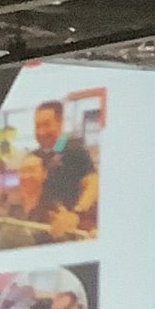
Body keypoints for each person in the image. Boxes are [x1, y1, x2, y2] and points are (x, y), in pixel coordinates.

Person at [31, 99, 97, 237]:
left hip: (70, 227)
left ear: (60, 124)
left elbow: (93, 183)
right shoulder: (34, 156)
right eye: (37, 126)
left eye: (46, 124)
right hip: (41, 225)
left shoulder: (72, 148)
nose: (41, 131)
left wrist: (76, 213)